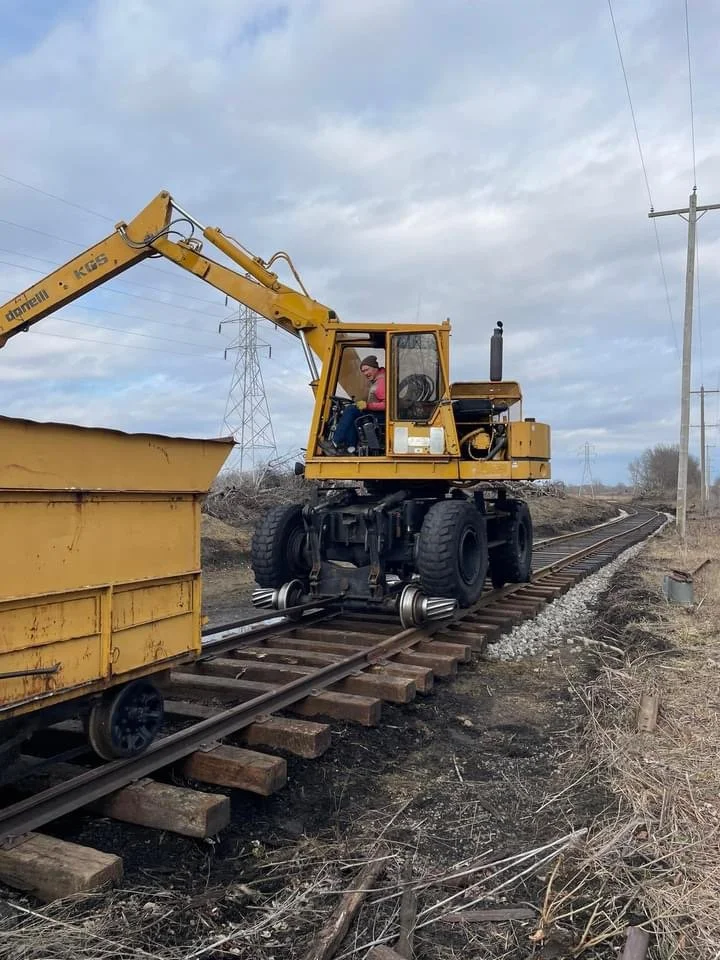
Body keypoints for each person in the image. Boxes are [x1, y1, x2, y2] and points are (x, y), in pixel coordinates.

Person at [319, 355, 386, 455]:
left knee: (350, 410)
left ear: (375, 368)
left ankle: (335, 442)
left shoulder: (381, 381)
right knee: (353, 415)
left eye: (367, 370)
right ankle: (351, 448)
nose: (365, 373)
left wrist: (367, 406)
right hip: (377, 415)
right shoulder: (379, 379)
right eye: (363, 371)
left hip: (381, 417)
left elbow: (386, 405)